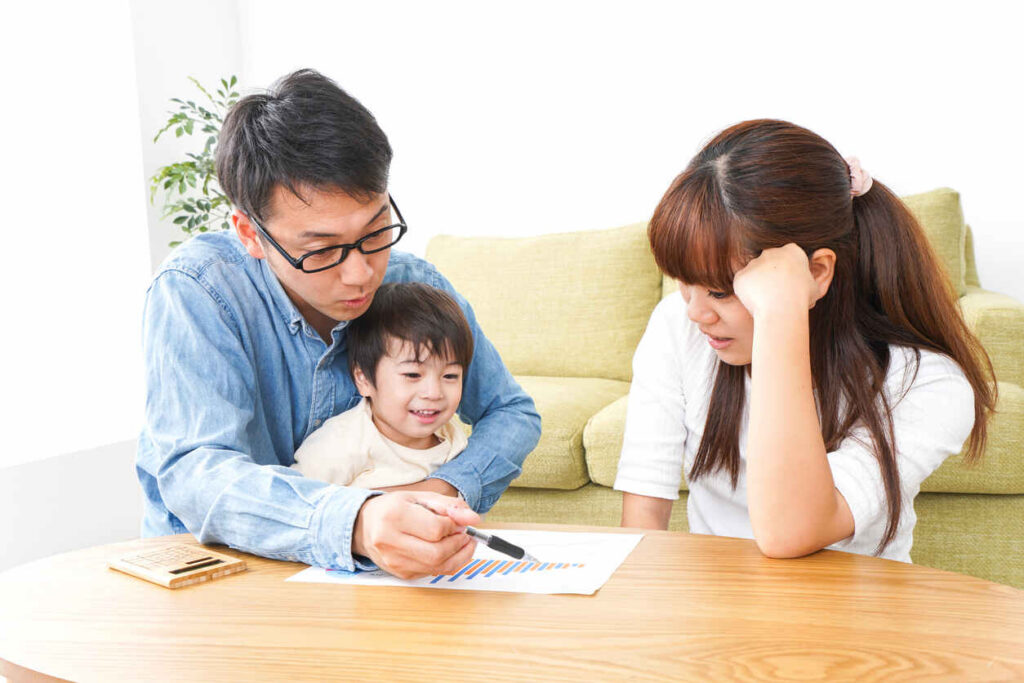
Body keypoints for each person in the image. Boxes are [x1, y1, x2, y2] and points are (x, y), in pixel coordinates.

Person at [137, 69, 541, 579]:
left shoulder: (411, 281)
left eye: (375, 230)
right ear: (250, 234)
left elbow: (511, 412)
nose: (361, 273)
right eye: (322, 250)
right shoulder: (198, 291)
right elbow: (198, 475)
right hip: (219, 572)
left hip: (368, 580)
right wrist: (356, 521)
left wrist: (438, 491)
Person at [615, 119, 995, 561]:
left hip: (857, 613)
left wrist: (782, 314)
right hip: (718, 607)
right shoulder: (677, 327)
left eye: (720, 291)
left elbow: (791, 531)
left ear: (817, 273)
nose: (696, 312)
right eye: (683, 285)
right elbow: (642, 515)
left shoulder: (928, 383)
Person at [292, 282, 472, 488]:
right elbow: (297, 503)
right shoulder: (340, 444)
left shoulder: (452, 436)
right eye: (412, 374)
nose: (433, 393)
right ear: (364, 379)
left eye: (450, 376)